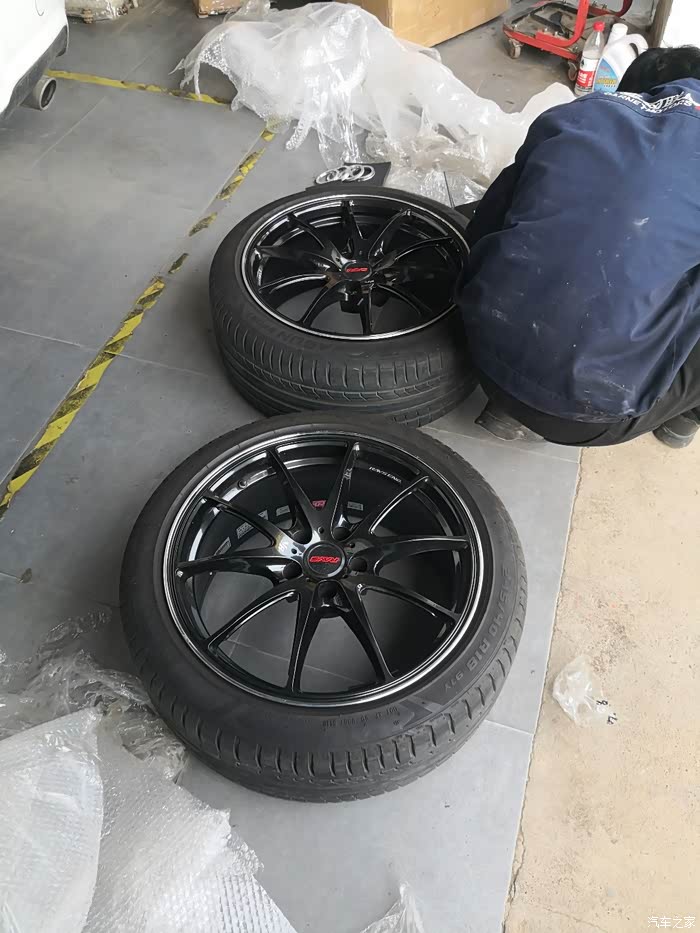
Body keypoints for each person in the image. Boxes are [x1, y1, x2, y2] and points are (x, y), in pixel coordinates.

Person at [457, 47, 700, 449]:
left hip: (478, 348)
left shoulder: (577, 114)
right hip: (591, 416)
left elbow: (485, 222)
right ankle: (684, 421)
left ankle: (508, 404)